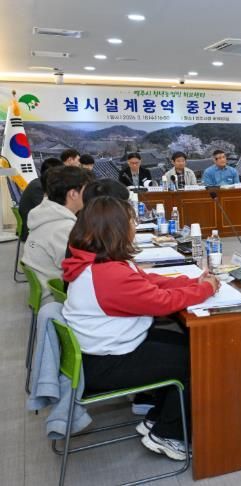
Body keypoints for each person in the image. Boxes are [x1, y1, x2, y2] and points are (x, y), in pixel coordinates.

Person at [62, 196, 219, 461]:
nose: (134, 226)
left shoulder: (97, 262)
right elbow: (162, 302)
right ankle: (169, 435)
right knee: (198, 358)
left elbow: (148, 282)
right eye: (131, 221)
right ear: (116, 229)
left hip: (105, 350)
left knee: (185, 344)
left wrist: (192, 282)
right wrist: (205, 289)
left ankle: (158, 417)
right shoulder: (108, 274)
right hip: (106, 363)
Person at [22, 166, 94, 303]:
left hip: (49, 288)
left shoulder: (44, 214)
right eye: (87, 190)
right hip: (58, 297)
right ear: (73, 194)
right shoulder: (63, 228)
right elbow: (86, 271)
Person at [18, 157, 63, 241]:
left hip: (43, 224)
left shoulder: (43, 183)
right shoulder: (38, 186)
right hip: (34, 228)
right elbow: (45, 210)